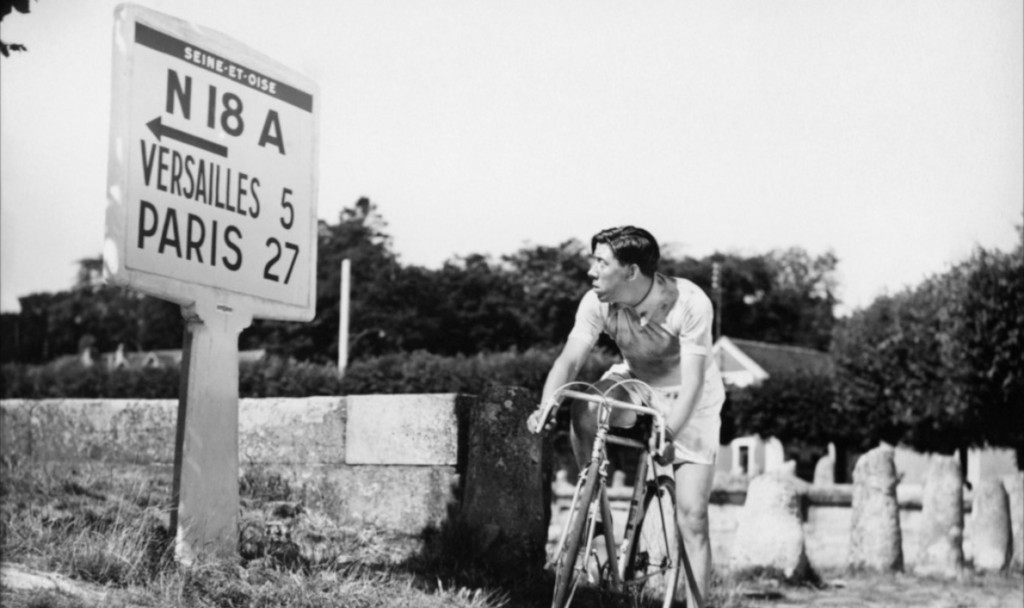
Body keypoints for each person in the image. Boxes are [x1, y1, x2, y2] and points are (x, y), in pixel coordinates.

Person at [527, 225, 725, 607]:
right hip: (635, 381)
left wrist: (669, 434)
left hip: (690, 397)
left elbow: (694, 383)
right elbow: (569, 360)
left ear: (631, 271)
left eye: (602, 263)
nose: (591, 271)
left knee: (693, 517)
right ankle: (592, 499)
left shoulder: (689, 301)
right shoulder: (596, 301)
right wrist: (547, 404)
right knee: (587, 403)